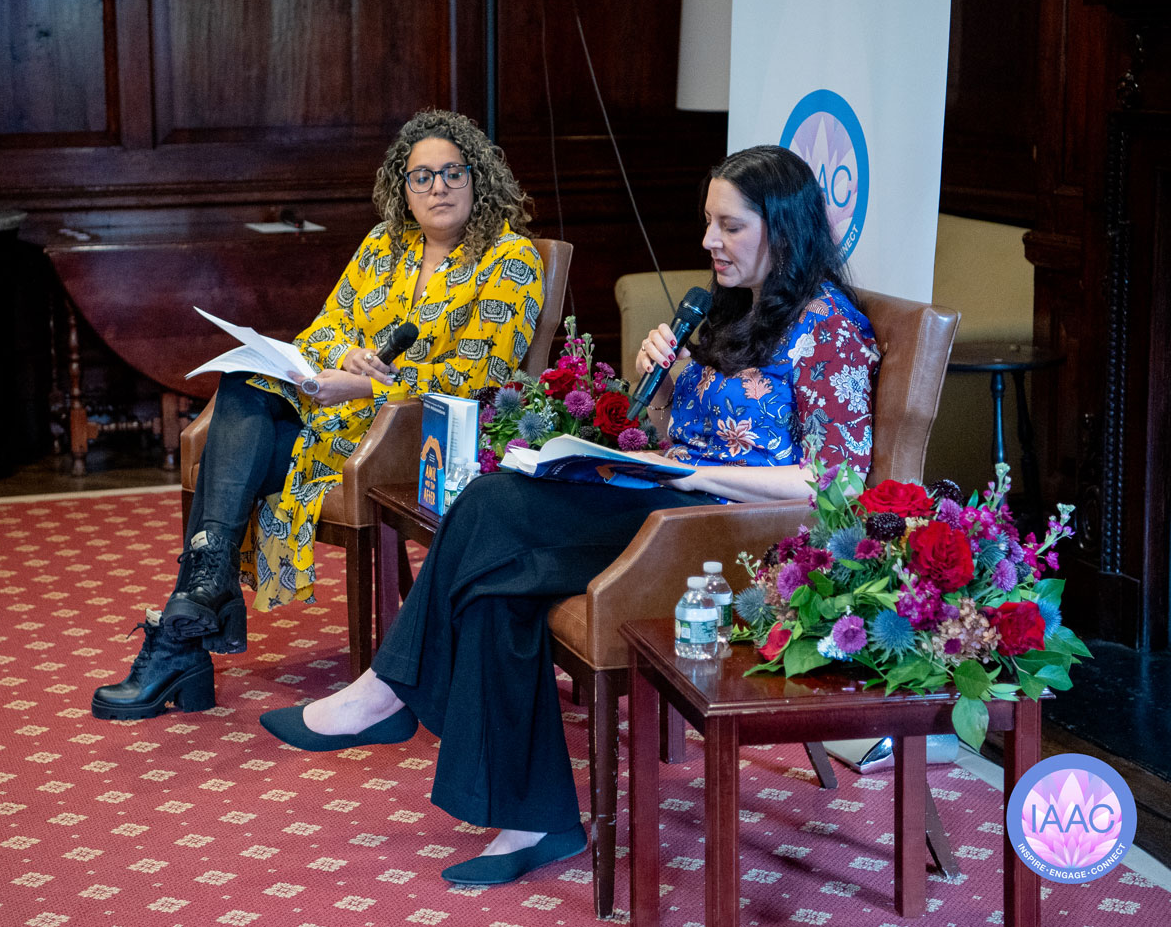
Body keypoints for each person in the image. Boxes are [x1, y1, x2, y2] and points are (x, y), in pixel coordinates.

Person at [259, 144, 880, 886]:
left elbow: (835, 483)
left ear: (785, 228)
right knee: (495, 569)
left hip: (728, 535)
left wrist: (694, 472)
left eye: (730, 226)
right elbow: (681, 430)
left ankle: (388, 691)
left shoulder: (829, 329)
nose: (709, 241)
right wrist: (664, 390)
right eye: (709, 222)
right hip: (670, 500)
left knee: (491, 514)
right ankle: (536, 821)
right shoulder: (733, 306)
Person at [93, 108, 545, 721]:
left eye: (452, 173)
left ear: (477, 179)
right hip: (337, 425)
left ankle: (183, 638)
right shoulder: (385, 244)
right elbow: (324, 330)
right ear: (403, 188)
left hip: (420, 439)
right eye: (421, 177)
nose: (438, 187)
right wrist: (346, 355)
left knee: (236, 454)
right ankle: (200, 597)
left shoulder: (510, 260)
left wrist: (362, 385)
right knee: (244, 382)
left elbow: (480, 377)